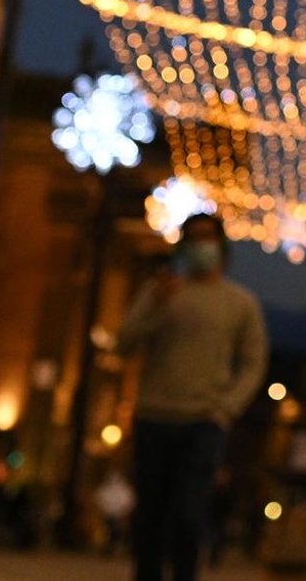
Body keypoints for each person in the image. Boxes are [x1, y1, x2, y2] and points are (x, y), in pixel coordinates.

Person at [115, 211, 269, 581]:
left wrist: (224, 409)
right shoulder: (160, 293)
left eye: (208, 238)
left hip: (202, 421)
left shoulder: (240, 304)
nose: (201, 245)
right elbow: (124, 343)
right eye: (194, 238)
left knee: (188, 515)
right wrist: (156, 304)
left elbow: (253, 364)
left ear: (221, 247)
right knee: (149, 514)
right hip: (154, 416)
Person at [96, 466, 137, 555]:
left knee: (115, 531)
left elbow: (128, 501)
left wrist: (122, 511)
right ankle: (109, 547)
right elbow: (101, 498)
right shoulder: (108, 488)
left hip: (117, 515)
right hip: (110, 514)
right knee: (109, 531)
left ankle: (113, 546)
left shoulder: (122, 488)